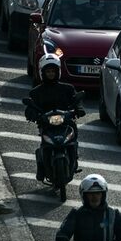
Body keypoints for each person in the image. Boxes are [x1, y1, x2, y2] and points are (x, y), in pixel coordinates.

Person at [26, 54, 84, 182]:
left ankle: (74, 159)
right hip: (47, 124)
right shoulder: (36, 92)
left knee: (73, 137)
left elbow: (76, 100)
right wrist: (32, 114)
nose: (51, 74)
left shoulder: (68, 88)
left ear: (58, 71)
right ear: (43, 73)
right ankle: (42, 168)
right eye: (48, 71)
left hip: (66, 123)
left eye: (53, 71)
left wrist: (79, 109)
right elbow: (30, 106)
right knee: (44, 145)